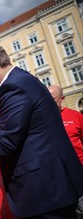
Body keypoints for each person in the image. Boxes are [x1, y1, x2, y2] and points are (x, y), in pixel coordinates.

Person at [0, 45, 83, 218]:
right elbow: (22, 124)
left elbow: (8, 140)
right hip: (54, 183)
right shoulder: (23, 80)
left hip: (45, 189)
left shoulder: (13, 87)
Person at [48, 84, 83, 218]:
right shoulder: (42, 118)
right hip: (57, 175)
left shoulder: (76, 116)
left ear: (62, 98)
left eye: (53, 99)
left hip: (79, 171)